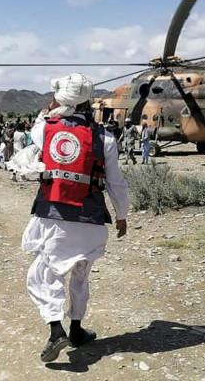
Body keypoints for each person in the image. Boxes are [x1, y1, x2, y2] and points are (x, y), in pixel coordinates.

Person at [21, 73, 129, 362]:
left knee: (44, 274)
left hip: (53, 216)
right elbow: (116, 182)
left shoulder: (45, 128)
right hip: (91, 217)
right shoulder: (104, 137)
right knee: (80, 276)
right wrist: (122, 215)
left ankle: (57, 330)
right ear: (88, 102)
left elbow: (36, 130)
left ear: (59, 100)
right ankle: (77, 330)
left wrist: (49, 111)